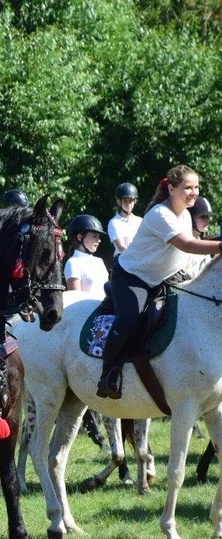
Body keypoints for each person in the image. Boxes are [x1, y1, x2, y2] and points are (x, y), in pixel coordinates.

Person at [97, 165, 221, 399]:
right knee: (129, 319)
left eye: (196, 187)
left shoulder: (184, 214)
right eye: (188, 187)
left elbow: (194, 243)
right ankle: (108, 374)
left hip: (161, 279)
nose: (194, 192)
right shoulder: (160, 214)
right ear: (172, 188)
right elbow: (187, 245)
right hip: (132, 278)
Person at [63, 215, 109, 298]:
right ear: (80, 237)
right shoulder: (73, 263)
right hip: (87, 310)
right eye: (94, 236)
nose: (99, 240)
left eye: (99, 237)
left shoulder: (99, 261)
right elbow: (75, 299)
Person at [108, 182, 142, 256]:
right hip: (122, 258)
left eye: (131, 200)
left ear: (135, 201)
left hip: (140, 259)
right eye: (125, 201)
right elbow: (121, 247)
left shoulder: (140, 221)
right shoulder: (114, 222)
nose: (128, 204)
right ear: (119, 202)